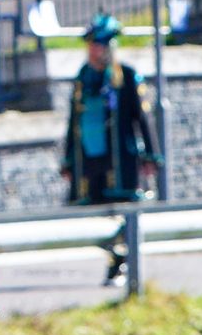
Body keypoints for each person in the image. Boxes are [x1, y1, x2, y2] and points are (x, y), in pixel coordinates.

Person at [62, 14, 157, 205]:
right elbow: (74, 121)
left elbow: (143, 117)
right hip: (88, 162)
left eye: (97, 45)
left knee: (122, 204)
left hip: (118, 159)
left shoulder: (127, 76)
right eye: (91, 45)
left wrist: (151, 155)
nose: (93, 50)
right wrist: (68, 160)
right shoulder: (82, 78)